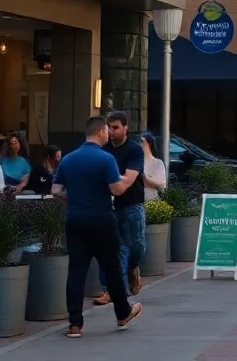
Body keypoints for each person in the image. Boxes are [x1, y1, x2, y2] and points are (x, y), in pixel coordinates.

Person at [52, 116, 142, 338]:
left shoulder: (69, 159)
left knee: (76, 271)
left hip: (75, 220)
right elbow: (117, 189)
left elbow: (55, 191)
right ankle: (122, 314)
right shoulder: (105, 158)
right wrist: (127, 180)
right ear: (101, 132)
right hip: (101, 219)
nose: (108, 135)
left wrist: (72, 201)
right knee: (112, 268)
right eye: (107, 131)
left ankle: (75, 325)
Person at [93, 111, 145, 303]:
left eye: (115, 127)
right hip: (109, 207)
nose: (111, 131)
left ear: (125, 128)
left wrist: (113, 184)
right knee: (114, 248)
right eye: (109, 128)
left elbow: (129, 178)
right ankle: (110, 289)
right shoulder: (103, 150)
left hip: (132, 203)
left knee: (137, 246)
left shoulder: (134, 150)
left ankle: (133, 267)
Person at [140, 133, 167, 202]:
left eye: (142, 142)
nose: (140, 144)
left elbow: (161, 185)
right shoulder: (136, 162)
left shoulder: (158, 163)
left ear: (149, 144)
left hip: (152, 202)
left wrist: (146, 178)